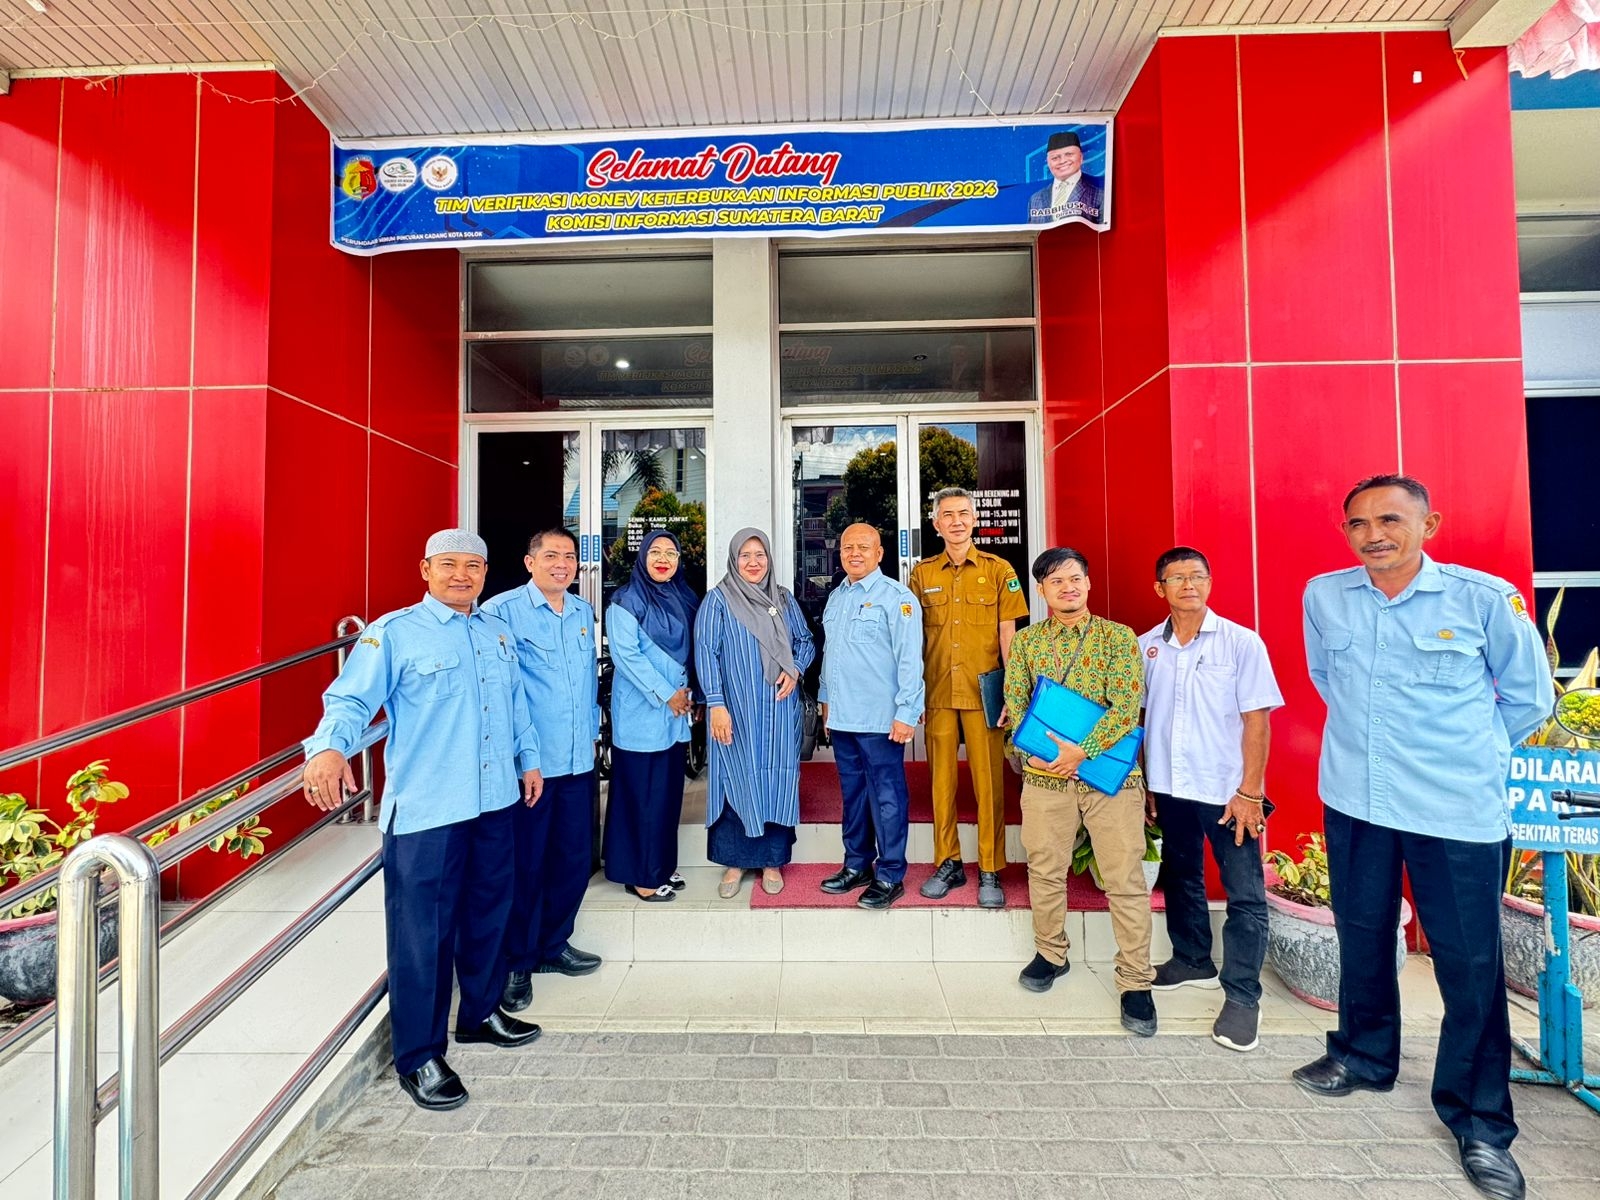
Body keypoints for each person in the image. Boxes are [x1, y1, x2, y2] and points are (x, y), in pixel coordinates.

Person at [1295, 474, 1552, 1200]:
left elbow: (1529, 698)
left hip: (1455, 809)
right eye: (1357, 523)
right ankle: (1363, 1056)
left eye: (1389, 519)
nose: (1373, 534)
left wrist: (1462, 754)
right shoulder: (1325, 595)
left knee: (1470, 965)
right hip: (1358, 798)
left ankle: (1481, 1122)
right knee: (1362, 935)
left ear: (1429, 524)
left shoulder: (1483, 599)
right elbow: (1327, 680)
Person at [302, 529, 543, 1112]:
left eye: (473, 566)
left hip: (493, 799)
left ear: (486, 572)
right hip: (428, 809)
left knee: (489, 912)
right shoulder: (393, 633)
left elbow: (515, 704)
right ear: (425, 569)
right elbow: (350, 700)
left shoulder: (495, 632)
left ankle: (480, 1013)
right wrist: (329, 749)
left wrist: (529, 758)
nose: (462, 575)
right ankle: (419, 1055)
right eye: (449, 564)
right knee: (422, 934)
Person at [1003, 547, 1156, 1036]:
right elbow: (1016, 703)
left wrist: (1081, 752)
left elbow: (1126, 707)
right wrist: (1029, 752)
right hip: (1046, 777)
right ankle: (1051, 953)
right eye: (1056, 581)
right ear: (1041, 590)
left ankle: (1135, 981)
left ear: (1088, 583)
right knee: (1045, 868)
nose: (1067, 587)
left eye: (1074, 578)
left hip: (1110, 780)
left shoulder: (1118, 637)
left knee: (1124, 877)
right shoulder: (1027, 642)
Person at [1138, 546, 1284, 1053]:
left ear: (1209, 582)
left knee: (1245, 893)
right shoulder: (1146, 647)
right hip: (1170, 787)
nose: (1188, 585)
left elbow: (1257, 721)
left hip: (1227, 792)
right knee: (1182, 875)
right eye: (1177, 578)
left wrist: (1250, 791)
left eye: (1197, 576)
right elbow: (1142, 720)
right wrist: (1147, 784)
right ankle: (1191, 958)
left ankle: (1242, 996)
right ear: (1159, 588)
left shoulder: (1241, 643)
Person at [481, 527, 604, 1014]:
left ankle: (554, 944)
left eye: (569, 556)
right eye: (551, 555)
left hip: (577, 760)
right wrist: (524, 758)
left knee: (573, 859)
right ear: (530, 562)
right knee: (526, 864)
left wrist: (591, 734)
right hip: (531, 768)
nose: (562, 564)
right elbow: (501, 694)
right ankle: (518, 961)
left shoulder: (581, 611)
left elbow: (586, 683)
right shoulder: (501, 612)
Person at [911, 487, 1030, 907]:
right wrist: (912, 695)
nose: (957, 521)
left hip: (985, 695)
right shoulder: (922, 574)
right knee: (941, 784)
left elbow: (1008, 637)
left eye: (963, 513)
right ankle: (948, 862)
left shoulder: (998, 570)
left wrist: (1013, 693)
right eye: (948, 514)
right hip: (939, 691)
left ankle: (991, 867)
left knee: (989, 783)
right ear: (936, 523)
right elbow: (911, 641)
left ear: (974, 519)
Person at [695, 528, 817, 898]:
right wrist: (716, 704)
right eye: (745, 555)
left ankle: (771, 862)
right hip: (735, 712)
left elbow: (805, 641)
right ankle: (734, 862)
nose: (753, 562)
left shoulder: (782, 599)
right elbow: (706, 652)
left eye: (760, 554)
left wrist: (795, 669)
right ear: (734, 559)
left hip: (778, 711)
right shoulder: (718, 601)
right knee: (736, 778)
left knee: (776, 781)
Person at [817, 523, 925, 910]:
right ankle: (857, 864)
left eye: (864, 547)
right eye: (848, 547)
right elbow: (831, 655)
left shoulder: (897, 598)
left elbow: (910, 659)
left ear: (880, 554)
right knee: (854, 796)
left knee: (887, 798)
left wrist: (907, 712)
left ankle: (890, 873)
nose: (855, 553)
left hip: (881, 720)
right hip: (843, 718)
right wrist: (826, 701)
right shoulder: (837, 597)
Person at [602, 529, 700, 903]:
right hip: (642, 715)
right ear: (642, 557)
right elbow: (627, 657)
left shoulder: (684, 597)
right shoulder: (626, 600)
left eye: (671, 553)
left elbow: (694, 651)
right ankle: (641, 875)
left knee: (666, 796)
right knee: (640, 797)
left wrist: (692, 694)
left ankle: (659, 863)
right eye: (655, 551)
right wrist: (667, 694)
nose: (663, 559)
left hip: (674, 716)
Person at [1027, 131, 1105, 224]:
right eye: (1055, 158)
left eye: (1069, 154)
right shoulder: (1035, 199)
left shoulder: (1100, 196)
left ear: (1081, 157)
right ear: (1048, 162)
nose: (1062, 161)